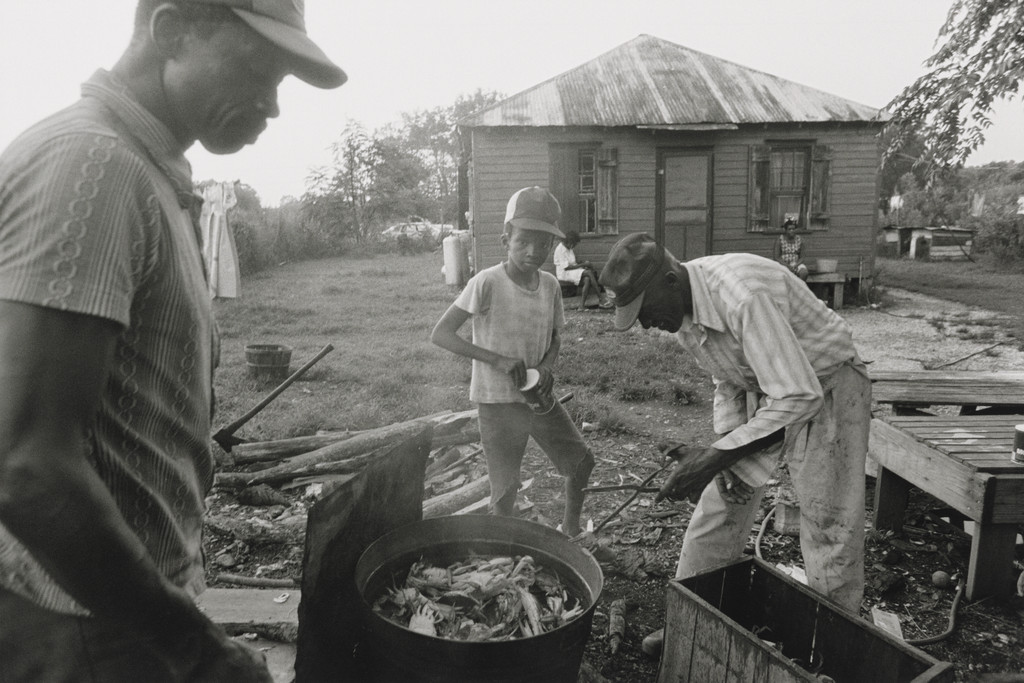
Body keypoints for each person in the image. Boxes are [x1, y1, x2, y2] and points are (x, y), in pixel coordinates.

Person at [0, 2, 345, 681]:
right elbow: (26, 464)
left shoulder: (146, 168)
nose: (273, 106)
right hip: (88, 628)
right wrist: (196, 647)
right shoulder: (93, 165)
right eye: (257, 68)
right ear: (171, 29)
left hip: (114, 613)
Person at [599, 233, 870, 649]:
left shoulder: (741, 295)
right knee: (718, 507)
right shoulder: (682, 313)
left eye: (645, 309)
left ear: (671, 281)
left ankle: (830, 652)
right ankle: (687, 626)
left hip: (827, 384)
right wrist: (721, 448)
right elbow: (726, 377)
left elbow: (800, 394)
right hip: (764, 389)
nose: (645, 322)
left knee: (828, 524)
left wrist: (713, 457)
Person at [431, 187, 595, 537]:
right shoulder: (487, 282)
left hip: (538, 397)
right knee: (505, 490)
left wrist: (547, 366)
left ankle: (571, 530)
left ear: (553, 245)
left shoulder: (550, 285)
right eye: (523, 241)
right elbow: (442, 334)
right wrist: (497, 360)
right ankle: (501, 554)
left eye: (543, 243)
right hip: (497, 401)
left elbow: (554, 338)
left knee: (581, 462)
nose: (533, 252)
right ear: (506, 239)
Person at [553, 230, 610, 310]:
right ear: (569, 241)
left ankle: (581, 306)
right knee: (589, 273)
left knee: (587, 279)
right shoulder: (560, 249)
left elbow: (573, 263)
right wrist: (583, 265)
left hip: (571, 271)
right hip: (563, 273)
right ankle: (601, 298)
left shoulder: (569, 248)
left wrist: (582, 263)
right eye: (574, 244)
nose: (574, 246)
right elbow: (566, 267)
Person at [773, 215, 809, 280]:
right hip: (783, 264)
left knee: (804, 273)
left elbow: (802, 257)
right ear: (785, 230)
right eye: (789, 229)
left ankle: (799, 288)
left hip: (796, 264)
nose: (792, 231)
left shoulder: (800, 240)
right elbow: (777, 257)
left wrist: (796, 265)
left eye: (793, 229)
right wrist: (787, 266)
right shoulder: (780, 240)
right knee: (780, 274)